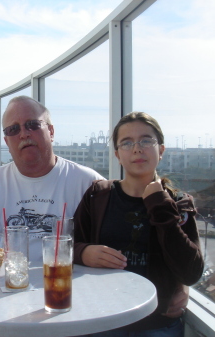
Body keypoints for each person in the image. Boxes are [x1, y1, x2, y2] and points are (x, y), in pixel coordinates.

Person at [73, 112, 204, 336]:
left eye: (146, 140)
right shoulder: (98, 196)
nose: (137, 149)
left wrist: (159, 204)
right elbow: (63, 247)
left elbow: (191, 273)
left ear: (161, 150)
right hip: (102, 319)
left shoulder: (178, 203)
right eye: (127, 143)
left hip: (156, 324)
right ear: (117, 154)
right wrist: (84, 253)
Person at [0, 95, 104, 273]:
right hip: (2, 287)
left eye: (33, 124)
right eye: (13, 129)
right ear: (7, 142)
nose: (24, 133)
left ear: (51, 132)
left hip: (66, 287)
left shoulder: (87, 182)